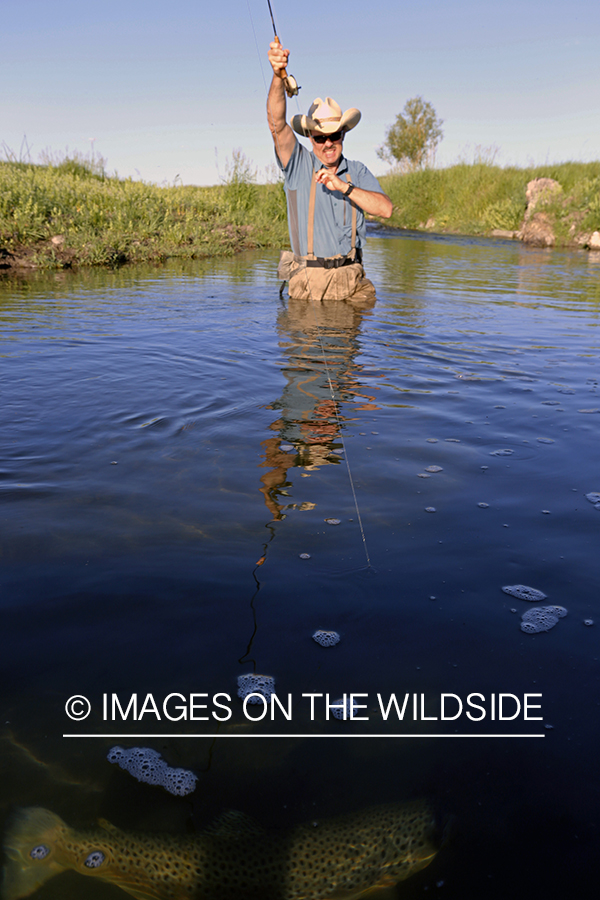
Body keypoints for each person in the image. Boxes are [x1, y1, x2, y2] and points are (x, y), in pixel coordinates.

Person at [267, 40, 393, 301]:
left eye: (334, 135)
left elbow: (385, 210)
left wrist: (343, 186)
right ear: (310, 138)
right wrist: (278, 76)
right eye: (319, 138)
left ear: (343, 134)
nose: (327, 144)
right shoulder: (298, 164)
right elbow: (276, 123)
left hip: (352, 283)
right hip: (309, 287)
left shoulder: (357, 172)